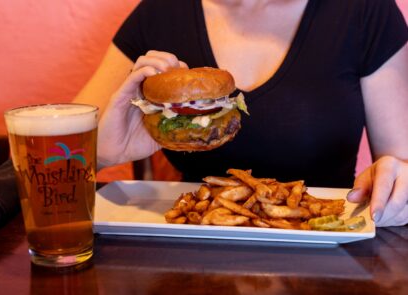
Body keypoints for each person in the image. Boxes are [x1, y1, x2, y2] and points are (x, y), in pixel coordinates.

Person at [73, 0, 408, 227]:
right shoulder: (161, 12)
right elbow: (54, 161)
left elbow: (400, 170)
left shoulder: (366, 11)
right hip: (188, 251)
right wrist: (99, 154)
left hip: (327, 243)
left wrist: (398, 180)